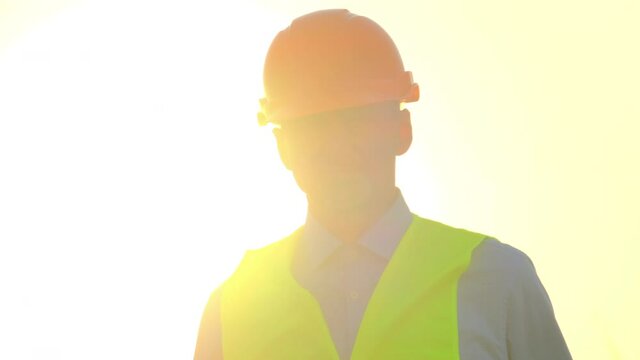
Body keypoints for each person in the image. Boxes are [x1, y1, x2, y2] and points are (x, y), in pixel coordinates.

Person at [194, 9, 572, 360]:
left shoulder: (498, 281)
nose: (340, 144)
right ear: (283, 148)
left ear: (402, 131)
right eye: (315, 126)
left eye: (358, 118)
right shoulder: (232, 310)